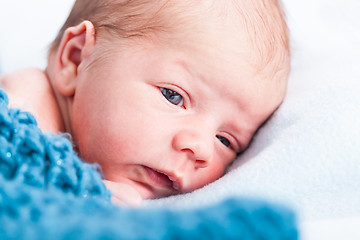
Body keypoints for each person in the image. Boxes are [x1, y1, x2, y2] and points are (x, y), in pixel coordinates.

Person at [0, 0, 290, 206]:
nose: (200, 148)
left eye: (225, 140)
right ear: (76, 60)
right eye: (173, 96)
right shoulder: (23, 104)